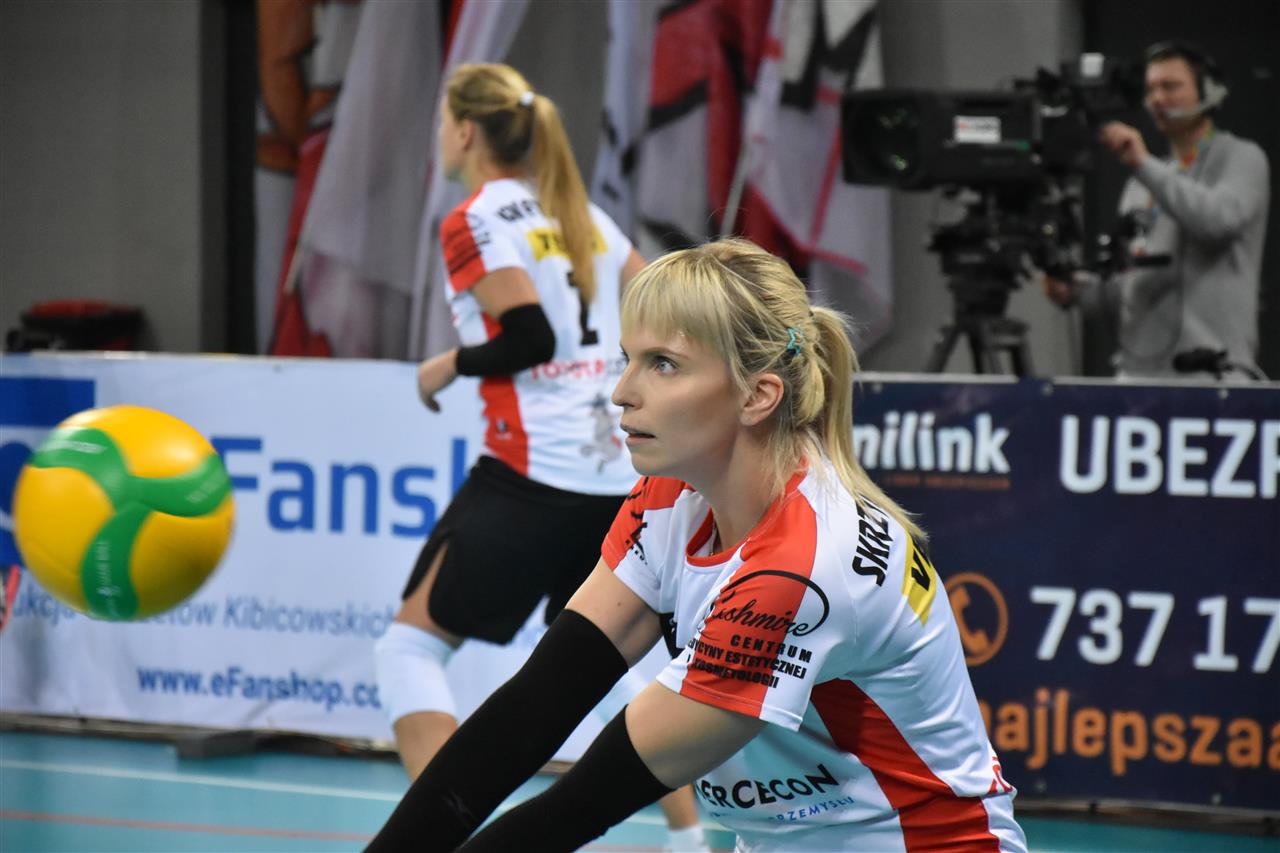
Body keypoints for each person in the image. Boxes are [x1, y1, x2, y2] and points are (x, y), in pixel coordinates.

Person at [367, 237, 1029, 853]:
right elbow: (532, 712)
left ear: (758, 395)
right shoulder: (672, 496)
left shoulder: (798, 568)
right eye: (628, 359)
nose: (621, 393)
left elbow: (581, 803)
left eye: (663, 365)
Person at [372, 63, 709, 852]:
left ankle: (434, 839)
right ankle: (691, 838)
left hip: (532, 477)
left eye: (443, 122)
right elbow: (666, 309)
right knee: (608, 658)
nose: (440, 136)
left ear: (465, 131)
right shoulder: (584, 214)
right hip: (616, 476)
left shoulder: (475, 219)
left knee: (408, 647)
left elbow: (531, 335)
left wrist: (447, 364)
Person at [1044, 40, 1270, 379]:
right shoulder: (1142, 182)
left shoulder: (1241, 157)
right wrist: (1076, 291)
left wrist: (1143, 163)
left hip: (1211, 375)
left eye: (1170, 86)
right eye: (1151, 89)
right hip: (1139, 379)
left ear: (1208, 90)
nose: (1158, 99)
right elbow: (1134, 286)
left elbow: (1217, 221)